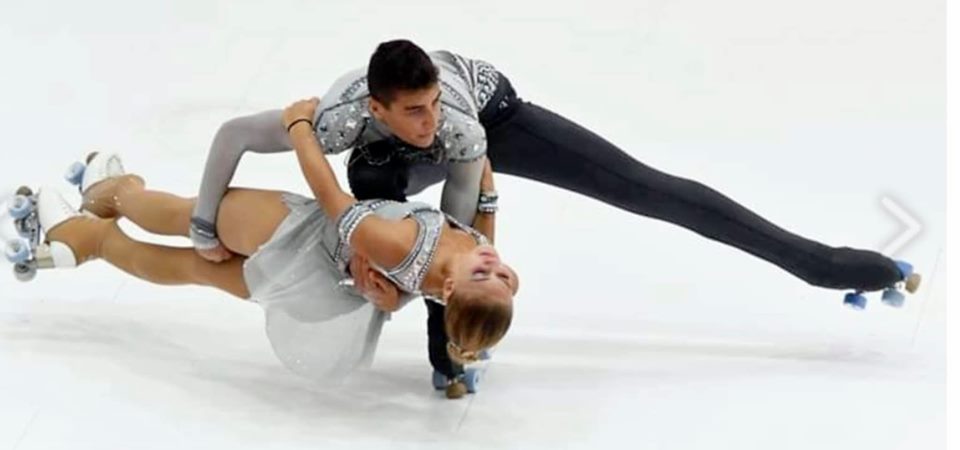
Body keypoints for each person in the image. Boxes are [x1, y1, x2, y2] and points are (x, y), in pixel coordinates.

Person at [185, 39, 921, 384]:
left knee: (647, 189)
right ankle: (438, 348)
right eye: (412, 111)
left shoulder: (458, 127)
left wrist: (446, 347)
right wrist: (203, 221)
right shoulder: (339, 119)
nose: (427, 121)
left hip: (499, 119)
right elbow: (233, 137)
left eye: (431, 106)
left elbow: (464, 232)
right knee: (370, 181)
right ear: (375, 108)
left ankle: (824, 265)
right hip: (388, 169)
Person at [5, 97, 516, 396]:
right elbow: (477, 241)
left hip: (293, 235)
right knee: (195, 270)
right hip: (315, 287)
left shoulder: (404, 243)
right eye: (503, 278)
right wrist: (485, 185)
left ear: (450, 291)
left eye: (483, 275)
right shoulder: (464, 264)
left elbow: (332, 198)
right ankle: (94, 242)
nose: (494, 265)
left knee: (191, 216)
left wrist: (300, 131)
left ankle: (112, 194)